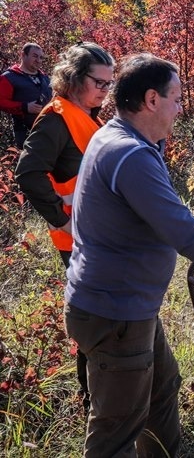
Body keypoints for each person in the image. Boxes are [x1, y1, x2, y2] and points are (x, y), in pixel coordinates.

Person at [63, 53, 194, 457]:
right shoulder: (129, 154)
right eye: (177, 99)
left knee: (162, 390)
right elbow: (180, 229)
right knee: (116, 431)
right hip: (115, 313)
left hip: (125, 307)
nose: (181, 108)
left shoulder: (118, 138)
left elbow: (156, 217)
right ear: (151, 100)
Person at [15, 42, 114, 412]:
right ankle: (92, 402)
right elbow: (27, 173)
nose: (105, 90)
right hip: (76, 239)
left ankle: (101, 396)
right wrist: (63, 219)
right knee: (93, 317)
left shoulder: (87, 115)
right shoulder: (57, 117)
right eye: (99, 82)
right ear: (74, 78)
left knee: (102, 314)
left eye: (109, 83)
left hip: (97, 236)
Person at [0, 43, 52, 148]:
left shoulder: (45, 77)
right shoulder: (9, 77)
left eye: (41, 57)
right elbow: (1, 101)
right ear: (23, 55)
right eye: (35, 56)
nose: (39, 60)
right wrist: (25, 107)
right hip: (24, 133)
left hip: (48, 130)